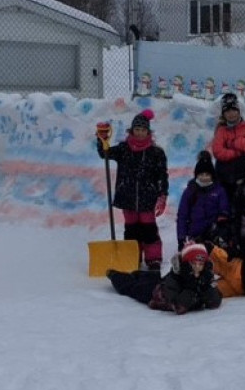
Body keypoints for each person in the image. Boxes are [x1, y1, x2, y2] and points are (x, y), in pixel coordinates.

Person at [96, 109, 168, 270]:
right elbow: (105, 153)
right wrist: (102, 139)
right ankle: (132, 255)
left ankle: (153, 258)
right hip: (127, 196)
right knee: (131, 228)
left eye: (143, 130)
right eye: (137, 129)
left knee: (149, 228)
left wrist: (162, 194)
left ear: (148, 131)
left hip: (147, 196)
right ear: (132, 131)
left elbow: (162, 175)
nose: (140, 133)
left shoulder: (156, 153)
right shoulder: (123, 149)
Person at [107, 241, 222, 315]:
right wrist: (191, 288)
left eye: (200, 264)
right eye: (194, 263)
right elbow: (178, 306)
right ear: (187, 264)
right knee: (131, 286)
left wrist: (207, 285)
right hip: (155, 294)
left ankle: (137, 274)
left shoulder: (205, 276)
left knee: (149, 276)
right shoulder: (176, 277)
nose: (197, 267)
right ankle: (114, 275)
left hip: (162, 281)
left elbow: (215, 302)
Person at [175, 150, 230, 251]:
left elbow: (224, 210)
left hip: (213, 233)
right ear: (196, 175)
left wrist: (221, 226)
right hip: (194, 234)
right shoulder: (190, 191)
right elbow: (182, 216)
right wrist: (181, 238)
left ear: (212, 176)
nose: (204, 178)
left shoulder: (219, 190)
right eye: (201, 175)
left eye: (207, 175)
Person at [211, 93, 245, 201]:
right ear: (223, 114)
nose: (231, 114)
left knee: (241, 201)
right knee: (224, 202)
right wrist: (237, 152)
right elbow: (218, 152)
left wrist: (233, 143)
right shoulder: (221, 130)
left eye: (233, 110)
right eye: (227, 111)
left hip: (243, 173)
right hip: (223, 175)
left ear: (238, 111)